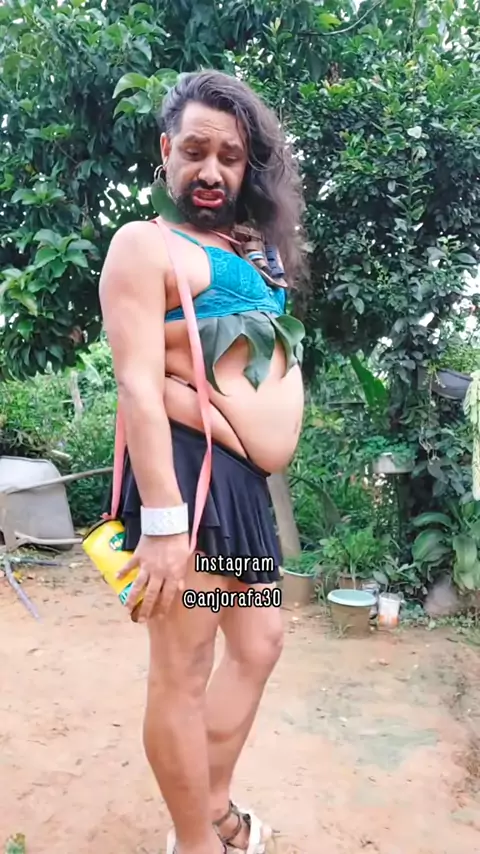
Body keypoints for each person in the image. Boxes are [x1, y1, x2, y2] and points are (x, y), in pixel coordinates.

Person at [99, 69, 307, 854]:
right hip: (189, 484)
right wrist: (162, 521)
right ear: (166, 151)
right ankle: (196, 839)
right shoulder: (144, 245)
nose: (212, 170)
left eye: (230, 156)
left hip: (244, 490)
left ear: (249, 166)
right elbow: (136, 383)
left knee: (260, 643)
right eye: (195, 151)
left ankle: (211, 802)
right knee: (183, 669)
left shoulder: (249, 250)